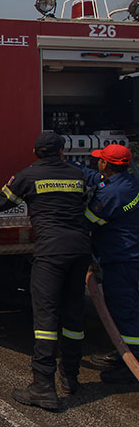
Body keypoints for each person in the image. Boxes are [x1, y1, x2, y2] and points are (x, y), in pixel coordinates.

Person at [0, 131, 90, 410]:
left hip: (51, 253)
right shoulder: (77, 175)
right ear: (62, 151)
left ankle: (43, 387)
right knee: (73, 313)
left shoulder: (27, 176)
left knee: (46, 317)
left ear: (35, 153)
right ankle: (71, 377)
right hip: (80, 250)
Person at [77, 144, 139, 384]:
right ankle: (123, 351)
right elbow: (97, 179)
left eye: (100, 160)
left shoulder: (110, 194)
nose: (97, 163)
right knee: (130, 306)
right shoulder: (129, 182)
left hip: (121, 259)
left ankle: (130, 364)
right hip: (130, 254)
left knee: (124, 311)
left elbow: (87, 222)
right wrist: (71, 166)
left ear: (105, 164)